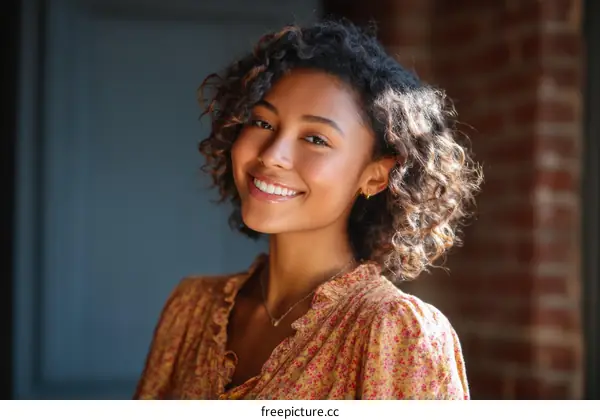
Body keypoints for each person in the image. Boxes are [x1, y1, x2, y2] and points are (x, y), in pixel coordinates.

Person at [133, 19, 482, 400]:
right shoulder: (191, 309)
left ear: (376, 176)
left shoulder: (396, 333)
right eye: (262, 122)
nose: (273, 155)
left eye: (316, 138)